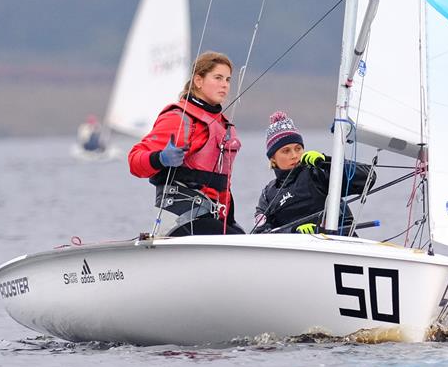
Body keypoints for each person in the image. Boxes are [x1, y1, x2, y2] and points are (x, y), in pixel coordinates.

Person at [128, 51, 244, 236]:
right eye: (218, 78)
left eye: (228, 80)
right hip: (181, 220)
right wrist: (160, 158)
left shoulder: (223, 126)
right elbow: (134, 161)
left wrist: (228, 220)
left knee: (241, 237)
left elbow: (221, 185)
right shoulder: (180, 119)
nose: (224, 85)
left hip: (212, 219)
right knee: (236, 240)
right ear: (198, 81)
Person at [253, 111, 375, 234]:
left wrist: (326, 162)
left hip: (339, 244)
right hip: (298, 250)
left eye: (298, 148)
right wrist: (293, 231)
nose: (294, 155)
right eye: (286, 151)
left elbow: (369, 178)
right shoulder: (268, 195)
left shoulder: (317, 173)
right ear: (273, 158)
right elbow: (260, 233)